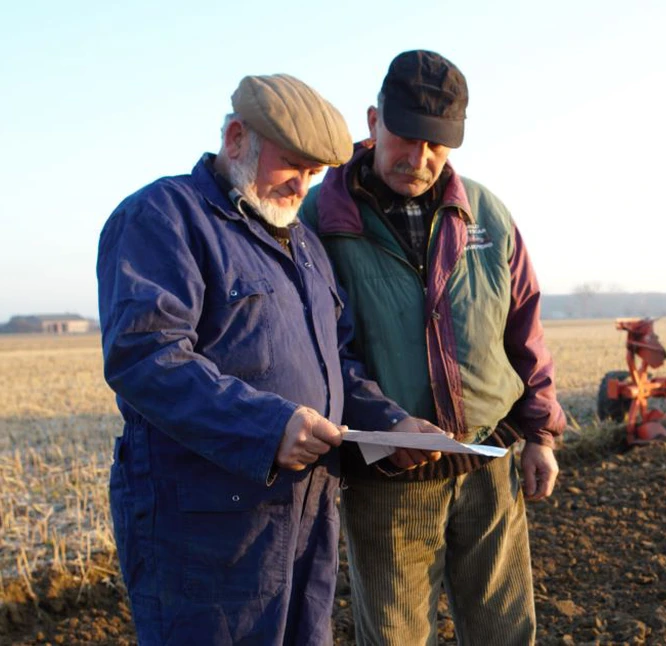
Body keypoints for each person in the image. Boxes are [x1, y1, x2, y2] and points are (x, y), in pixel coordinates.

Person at [97, 74, 424, 645]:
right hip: (203, 530)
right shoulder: (163, 218)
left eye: (315, 173)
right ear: (235, 137)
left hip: (305, 516)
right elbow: (146, 356)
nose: (302, 185)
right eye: (290, 163)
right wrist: (268, 426)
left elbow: (337, 359)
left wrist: (392, 425)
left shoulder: (305, 246)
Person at [300, 50, 567, 645]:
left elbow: (523, 327)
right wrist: (388, 422)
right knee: (394, 637)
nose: (419, 159)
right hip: (389, 480)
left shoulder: (486, 214)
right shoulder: (323, 219)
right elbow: (322, 352)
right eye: (406, 138)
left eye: (438, 146)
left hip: (488, 469)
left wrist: (540, 435)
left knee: (503, 633)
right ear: (373, 122)